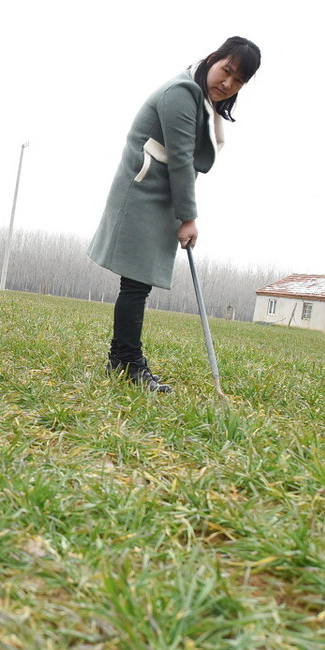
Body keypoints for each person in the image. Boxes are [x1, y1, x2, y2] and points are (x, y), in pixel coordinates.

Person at [87, 37, 261, 393]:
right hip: (143, 190)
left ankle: (122, 360)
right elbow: (181, 159)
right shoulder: (182, 93)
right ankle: (126, 362)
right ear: (213, 59)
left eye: (238, 81)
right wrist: (188, 217)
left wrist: (182, 213)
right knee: (135, 281)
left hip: (158, 191)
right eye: (226, 71)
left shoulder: (199, 97)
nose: (227, 84)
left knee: (138, 282)